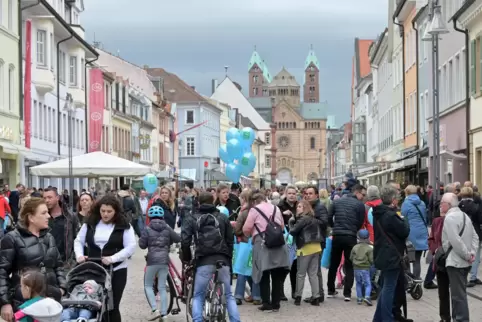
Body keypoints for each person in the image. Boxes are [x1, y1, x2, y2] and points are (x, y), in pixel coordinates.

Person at [0, 198, 67, 322]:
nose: (48, 216)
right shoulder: (12, 238)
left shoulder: (49, 237)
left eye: (48, 212)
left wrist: (62, 288)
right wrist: (5, 302)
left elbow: (58, 265)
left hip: (51, 301)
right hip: (24, 302)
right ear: (31, 217)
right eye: (43, 213)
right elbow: (1, 271)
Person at [74, 195, 136, 322]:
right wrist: (79, 255)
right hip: (94, 269)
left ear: (116, 211)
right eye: (103, 211)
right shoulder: (90, 223)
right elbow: (78, 241)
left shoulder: (124, 225)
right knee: (94, 304)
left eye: (109, 211)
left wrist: (113, 258)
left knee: (112, 306)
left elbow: (130, 247)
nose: (105, 214)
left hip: (117, 269)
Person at [180, 192, 240, 322]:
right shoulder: (223, 217)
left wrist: (187, 258)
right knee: (229, 295)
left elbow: (185, 241)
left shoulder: (191, 218)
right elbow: (230, 240)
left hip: (203, 259)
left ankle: (197, 320)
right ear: (214, 201)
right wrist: (228, 258)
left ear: (198, 203)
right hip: (222, 259)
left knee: (198, 295)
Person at [243, 192, 290, 313]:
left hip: (262, 243)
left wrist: (250, 234)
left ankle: (266, 302)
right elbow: (281, 226)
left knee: (263, 272)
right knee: (277, 274)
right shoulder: (276, 208)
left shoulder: (254, 210)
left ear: (254, 202)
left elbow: (246, 229)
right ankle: (276, 303)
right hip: (278, 243)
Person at [372, 185, 410, 322]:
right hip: (392, 256)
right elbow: (404, 231)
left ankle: (378, 318)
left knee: (385, 286)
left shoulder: (378, 213)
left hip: (382, 253)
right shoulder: (390, 215)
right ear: (393, 200)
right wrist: (404, 219)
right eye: (397, 199)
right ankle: (387, 318)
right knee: (389, 287)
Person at [441, 192, 479, 322]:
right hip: (465, 261)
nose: (440, 206)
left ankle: (461, 319)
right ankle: (458, 318)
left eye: (442, 203)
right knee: (458, 293)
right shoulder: (464, 215)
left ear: (448, 204)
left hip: (456, 261)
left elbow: (455, 241)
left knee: (458, 295)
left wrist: (468, 255)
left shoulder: (450, 218)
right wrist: (472, 253)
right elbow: (475, 236)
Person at [139, 205, 180, 320]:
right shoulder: (167, 227)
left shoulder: (147, 228)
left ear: (150, 217)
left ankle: (154, 309)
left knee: (148, 285)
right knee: (162, 287)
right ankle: (164, 314)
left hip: (152, 260)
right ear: (162, 216)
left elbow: (142, 245)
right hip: (164, 260)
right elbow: (177, 238)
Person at [327, 184, 366, 301]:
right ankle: (347, 293)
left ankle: (330, 290)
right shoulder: (360, 205)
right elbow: (360, 221)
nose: (363, 197)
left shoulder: (337, 202)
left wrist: (334, 227)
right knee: (349, 265)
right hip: (350, 236)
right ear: (357, 192)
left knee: (334, 263)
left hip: (337, 236)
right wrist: (354, 229)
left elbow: (329, 216)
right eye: (363, 195)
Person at [289, 200, 323, 306]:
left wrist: (291, 222)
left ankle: (298, 297)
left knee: (300, 274)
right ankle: (316, 297)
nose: (297, 208)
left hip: (305, 247)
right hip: (316, 247)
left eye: (300, 206)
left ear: (305, 208)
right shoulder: (314, 219)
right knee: (313, 274)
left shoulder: (302, 219)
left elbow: (293, 231)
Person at [233, 189, 261, 306]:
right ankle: (256, 296)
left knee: (242, 270)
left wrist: (242, 234)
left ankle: (238, 296)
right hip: (258, 243)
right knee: (256, 269)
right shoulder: (261, 211)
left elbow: (237, 230)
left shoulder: (244, 213)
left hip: (245, 244)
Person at [303, 185, 329, 303]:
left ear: (316, 195)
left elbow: (324, 222)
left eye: (310, 193)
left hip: (318, 241)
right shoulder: (308, 206)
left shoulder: (320, 207)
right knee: (312, 270)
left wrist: (309, 219)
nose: (308, 195)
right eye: (306, 193)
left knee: (315, 270)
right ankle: (316, 293)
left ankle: (319, 295)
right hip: (310, 241)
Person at [43, 187, 79, 265]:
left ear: (57, 198)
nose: (47, 200)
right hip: (46, 262)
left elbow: (77, 238)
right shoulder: (42, 217)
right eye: (44, 198)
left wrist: (73, 258)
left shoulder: (70, 216)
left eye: (49, 197)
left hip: (66, 262)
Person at [401, 185, 428, 279]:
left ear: (406, 193)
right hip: (421, 232)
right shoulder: (422, 203)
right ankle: (417, 280)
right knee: (417, 260)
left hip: (410, 233)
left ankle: (409, 280)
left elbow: (404, 218)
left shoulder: (406, 204)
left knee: (408, 259)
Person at [277, 185, 298, 299]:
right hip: (284, 240)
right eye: (289, 193)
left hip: (296, 240)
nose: (292, 195)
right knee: (284, 267)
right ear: (285, 194)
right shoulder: (280, 206)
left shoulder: (299, 205)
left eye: (294, 193)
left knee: (295, 267)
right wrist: (282, 214)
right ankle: (280, 291)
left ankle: (295, 291)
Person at [458, 187, 482, 287]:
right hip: (475, 232)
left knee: (462, 253)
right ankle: (473, 277)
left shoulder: (458, 205)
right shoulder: (476, 206)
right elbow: (480, 220)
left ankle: (462, 277)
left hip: (461, 232)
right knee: (475, 255)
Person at [350, 229, 373, 306]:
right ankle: (367, 296)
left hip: (356, 268)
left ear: (358, 237)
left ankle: (359, 299)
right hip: (365, 268)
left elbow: (351, 257)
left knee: (358, 283)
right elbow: (371, 259)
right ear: (368, 238)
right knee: (367, 284)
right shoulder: (369, 248)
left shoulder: (355, 247)